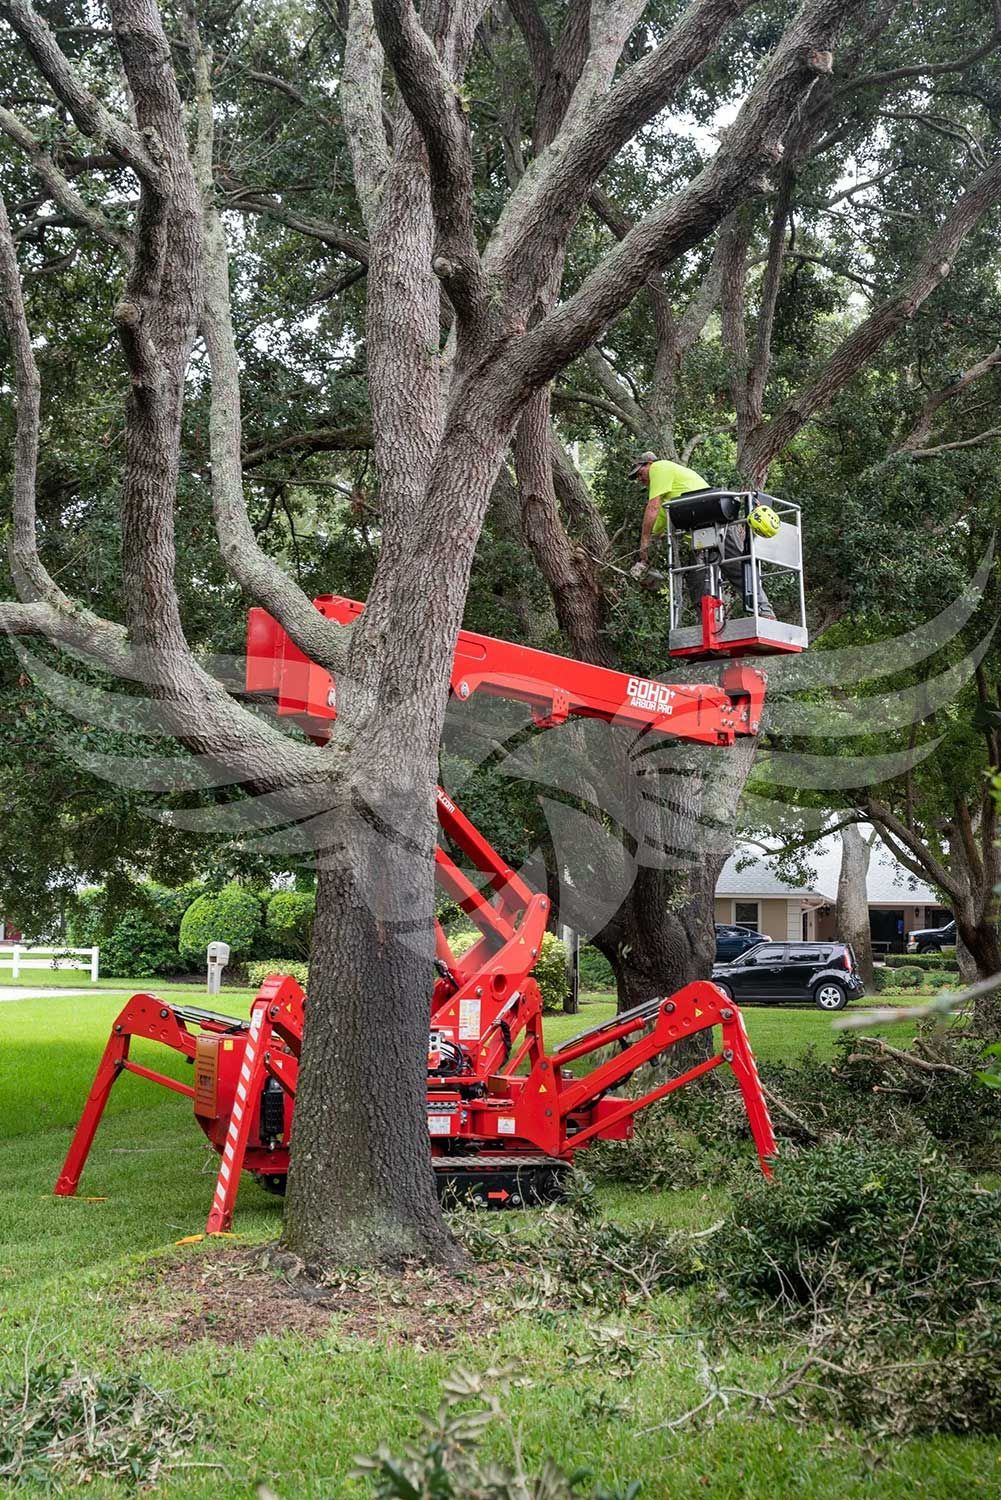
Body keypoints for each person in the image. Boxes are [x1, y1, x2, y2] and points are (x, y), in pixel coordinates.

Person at [629, 451, 775, 619]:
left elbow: (652, 507)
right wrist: (645, 554)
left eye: (639, 474)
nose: (640, 479)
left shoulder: (660, 467)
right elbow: (657, 523)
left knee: (736, 567)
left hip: (717, 523)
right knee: (697, 581)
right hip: (699, 536)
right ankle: (707, 623)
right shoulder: (667, 498)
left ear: (648, 463)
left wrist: (644, 542)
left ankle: (764, 611)